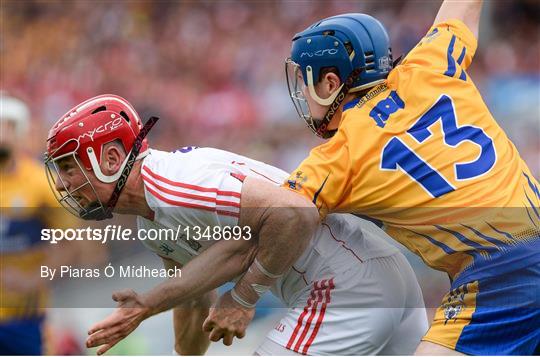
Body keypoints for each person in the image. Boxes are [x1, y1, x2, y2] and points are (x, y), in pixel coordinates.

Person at [45, 94, 428, 355]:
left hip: (346, 287)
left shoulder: (174, 186)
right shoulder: (152, 219)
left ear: (111, 158)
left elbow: (295, 213)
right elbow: (195, 298)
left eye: (67, 166)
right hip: (373, 275)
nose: (62, 183)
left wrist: (243, 298)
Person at [277, 0, 539, 355]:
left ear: (329, 82)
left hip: (497, 275)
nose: (303, 96)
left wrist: (238, 292)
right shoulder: (431, 62)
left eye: (306, 81)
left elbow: (274, 217)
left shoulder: (336, 159)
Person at [0, 93, 104, 354]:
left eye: (7, 125)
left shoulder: (39, 182)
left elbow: (74, 242)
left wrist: (33, 279)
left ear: (19, 130)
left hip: (23, 316)